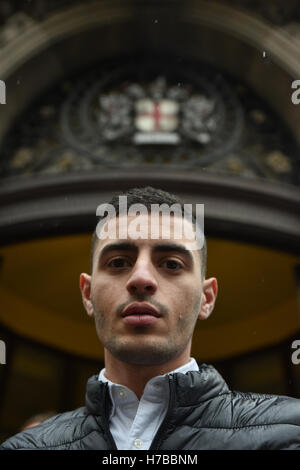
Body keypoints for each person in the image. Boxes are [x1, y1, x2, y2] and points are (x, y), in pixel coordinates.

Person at [1, 186, 300, 450]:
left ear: (206, 298)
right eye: (118, 262)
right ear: (87, 294)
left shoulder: (290, 433)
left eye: (171, 264)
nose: (141, 278)